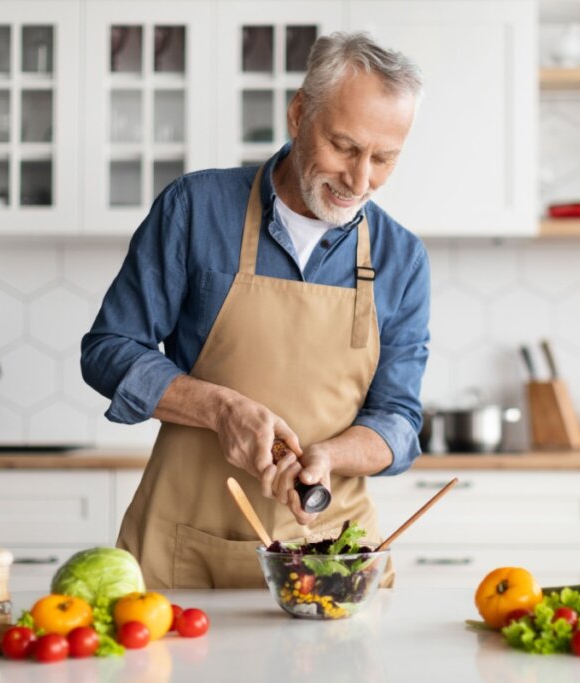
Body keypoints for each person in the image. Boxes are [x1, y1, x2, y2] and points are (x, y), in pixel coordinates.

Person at [81, 32, 429, 589]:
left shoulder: (401, 258)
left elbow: (399, 421)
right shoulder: (195, 209)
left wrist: (329, 455)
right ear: (298, 113)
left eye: (383, 158)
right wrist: (220, 409)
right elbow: (108, 351)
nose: (360, 180)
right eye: (344, 147)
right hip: (184, 548)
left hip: (328, 557)